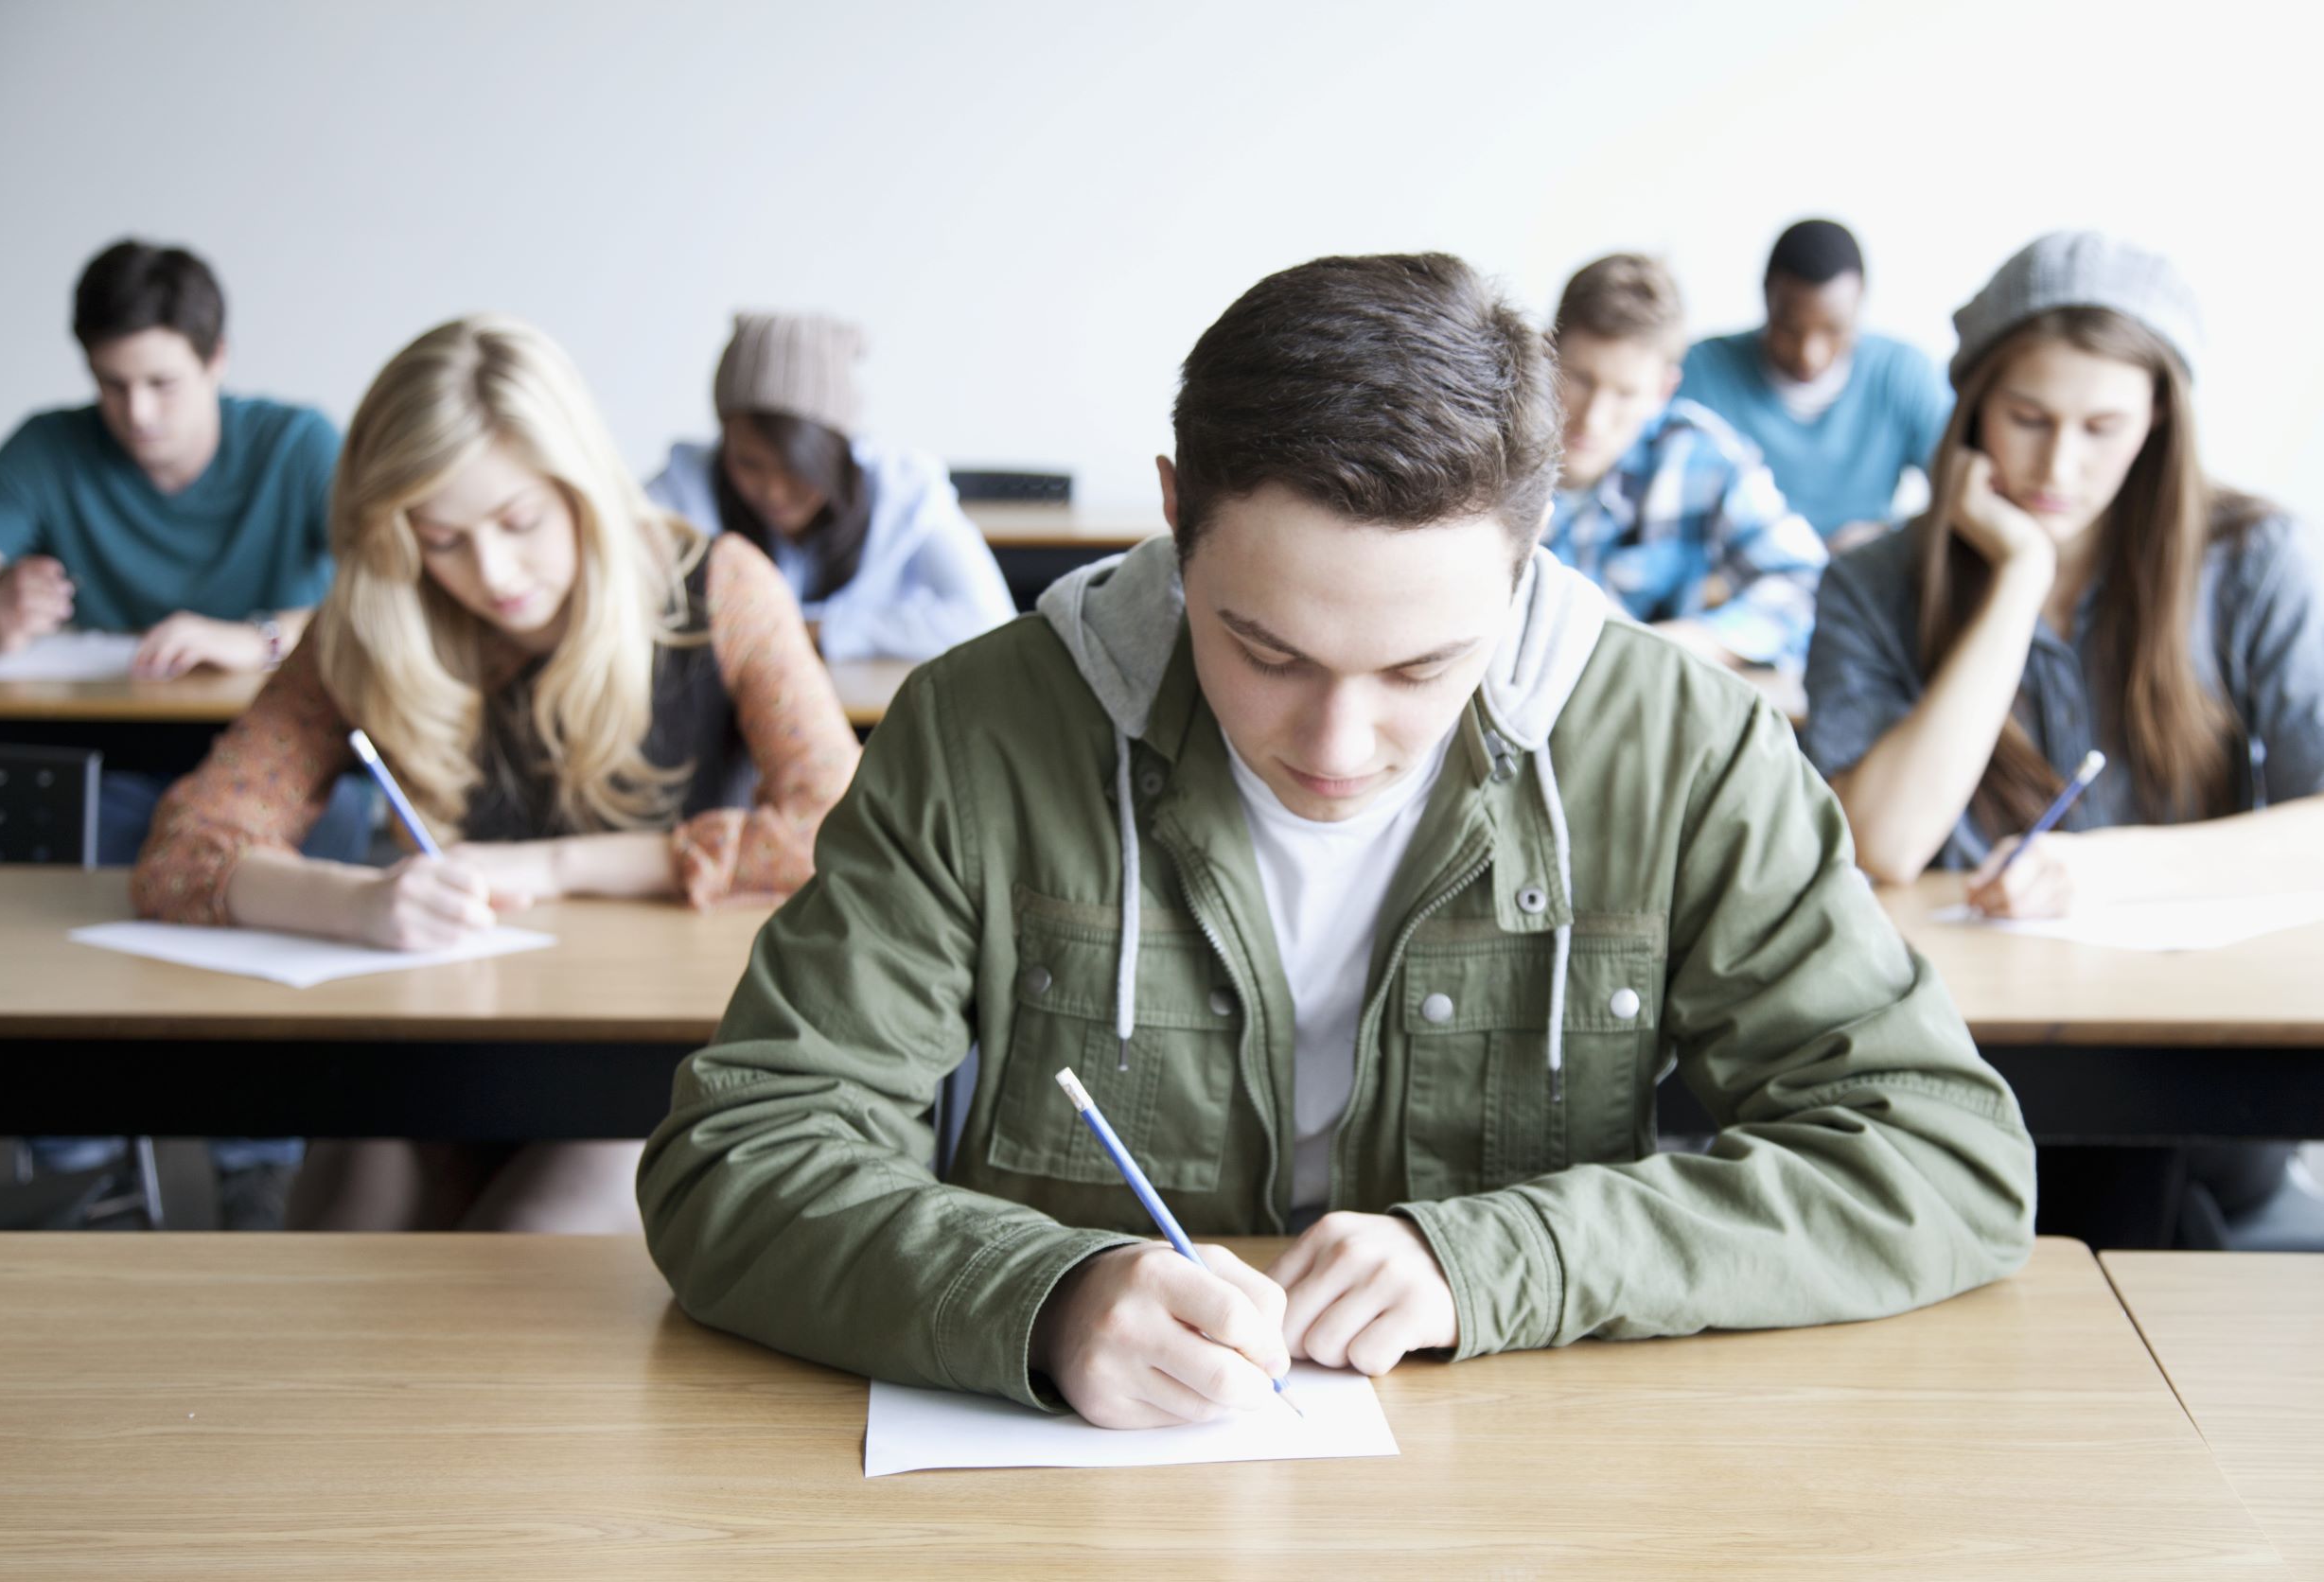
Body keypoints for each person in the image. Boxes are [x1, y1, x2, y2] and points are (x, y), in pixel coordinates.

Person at [639, 253, 2034, 1428]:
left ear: (1529, 552)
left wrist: (1502, 1258)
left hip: (1530, 1484)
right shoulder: (983, 730)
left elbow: (1940, 1161)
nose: (1338, 744)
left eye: (1425, 668)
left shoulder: (1685, 748)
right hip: (1086, 1497)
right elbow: (744, 1153)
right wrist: (1044, 1298)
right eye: (1266, 647)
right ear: (1176, 513)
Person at [132, 315, 861, 1233]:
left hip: (648, 1065)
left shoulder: (719, 587)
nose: (491, 571)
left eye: (520, 521)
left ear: (583, 489)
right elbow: (186, 847)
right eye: (440, 538)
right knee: (341, 1264)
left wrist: (558, 867)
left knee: (517, 1257)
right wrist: (357, 903)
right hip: (438, 1048)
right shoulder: (370, 622)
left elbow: (843, 832)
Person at [1805, 231, 2324, 1245]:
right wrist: (2020, 582)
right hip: (1959, 1050)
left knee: (2125, 1178)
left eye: (2104, 426)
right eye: (2027, 418)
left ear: (2159, 421)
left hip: (2186, 1057)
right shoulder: (1874, 581)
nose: (2059, 464)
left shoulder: (2252, 557)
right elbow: (1883, 843)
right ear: (1971, 411)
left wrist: (2105, 872)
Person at [0, 238, 359, 1225]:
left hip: (285, 764)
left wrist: (255, 635)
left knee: (326, 856)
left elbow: (387, 602)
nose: (136, 413)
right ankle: (85, 1155)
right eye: (112, 384)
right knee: (40, 857)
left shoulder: (297, 444)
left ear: (217, 361)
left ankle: (259, 1156)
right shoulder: (51, 446)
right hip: (112, 761)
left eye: (162, 382)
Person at [647, 311, 1014, 660]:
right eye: (749, 464)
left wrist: (822, 630)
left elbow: (990, 620)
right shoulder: (682, 486)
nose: (774, 491)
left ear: (836, 452)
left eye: (796, 468)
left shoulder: (906, 493)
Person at [1544, 253, 1825, 672]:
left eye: (1625, 393)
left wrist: (1661, 650)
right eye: (1581, 379)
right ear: (1546, 354)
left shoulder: (1704, 457)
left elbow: (1805, 583)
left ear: (1664, 390)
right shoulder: (1484, 443)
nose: (1595, 418)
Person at [1680, 220, 1951, 550]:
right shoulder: (1700, 371)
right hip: (1733, 579)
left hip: (1863, 579)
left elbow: (1965, 491)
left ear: (1860, 304)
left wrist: (1890, 537)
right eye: (1790, 329)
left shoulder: (1902, 373)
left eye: (1834, 330)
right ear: (1767, 298)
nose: (1810, 355)